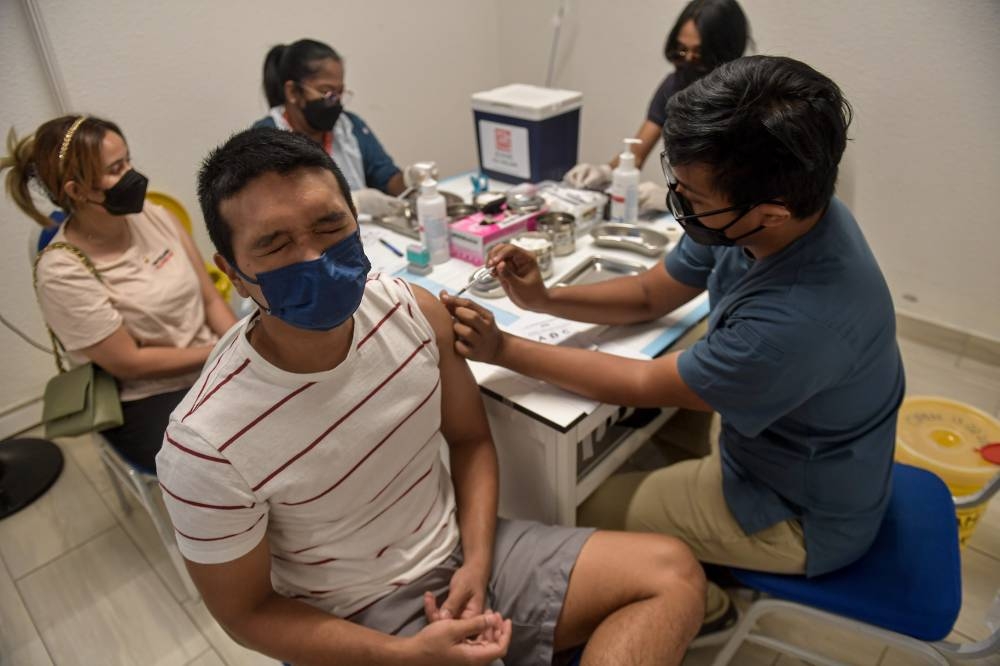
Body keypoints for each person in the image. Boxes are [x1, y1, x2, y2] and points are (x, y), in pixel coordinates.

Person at [155, 126, 705, 665]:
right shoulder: (207, 443)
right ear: (232, 272)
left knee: (672, 573)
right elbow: (247, 615)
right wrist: (402, 655)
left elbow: (469, 442)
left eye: (329, 226)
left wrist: (478, 562)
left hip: (464, 550)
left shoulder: (411, 312)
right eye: (274, 243)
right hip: (351, 617)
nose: (313, 256)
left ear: (356, 218)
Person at [443, 55, 904, 588]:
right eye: (678, 184)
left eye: (695, 198)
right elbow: (648, 294)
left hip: (798, 511)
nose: (679, 202)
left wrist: (503, 350)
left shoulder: (799, 320)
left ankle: (703, 604)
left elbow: (644, 383)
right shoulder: (783, 216)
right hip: (777, 450)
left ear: (769, 212)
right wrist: (545, 299)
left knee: (567, 511)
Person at [1, 115, 236, 471]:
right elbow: (129, 362)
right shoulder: (62, 271)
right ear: (76, 191)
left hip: (212, 360)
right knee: (226, 462)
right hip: (148, 395)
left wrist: (238, 344)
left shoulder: (156, 217)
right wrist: (222, 352)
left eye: (127, 160)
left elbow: (209, 299)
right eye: (115, 169)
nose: (131, 175)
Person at [564, 0, 750, 214]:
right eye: (682, 51)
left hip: (726, 221)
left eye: (699, 54)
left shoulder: (748, 100)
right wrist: (606, 171)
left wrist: (672, 199)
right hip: (689, 219)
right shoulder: (675, 84)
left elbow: (742, 195)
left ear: (726, 51)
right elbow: (637, 152)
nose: (688, 60)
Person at [254, 38, 425, 219]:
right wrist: (355, 203)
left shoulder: (350, 127)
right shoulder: (265, 141)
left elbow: (386, 179)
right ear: (293, 92)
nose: (336, 102)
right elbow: (278, 215)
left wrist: (409, 179)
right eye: (327, 92)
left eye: (339, 93)